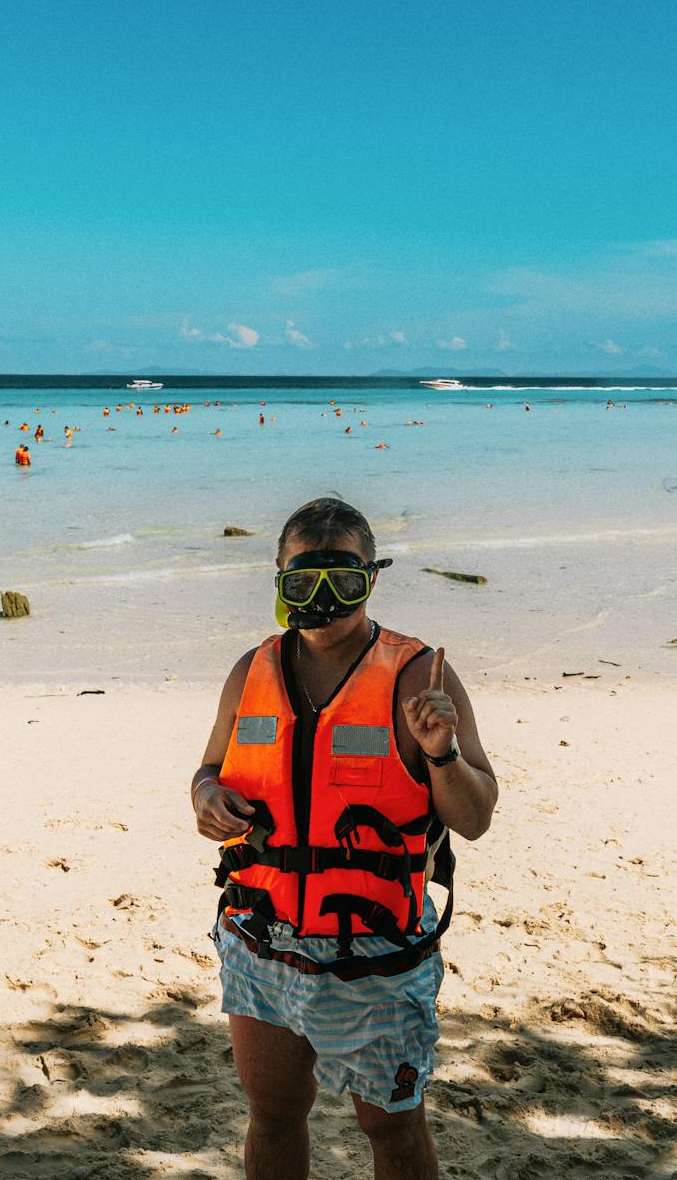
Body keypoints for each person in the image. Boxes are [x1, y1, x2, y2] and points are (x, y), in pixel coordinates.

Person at [190, 498, 498, 1180]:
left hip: (378, 954)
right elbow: (209, 769)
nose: (324, 601)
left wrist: (441, 752)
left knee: (393, 1127)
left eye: (345, 581)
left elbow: (475, 817)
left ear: (373, 578)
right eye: (304, 582)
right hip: (262, 939)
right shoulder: (252, 670)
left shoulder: (418, 676)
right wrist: (207, 796)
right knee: (272, 1113)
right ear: (280, 580)